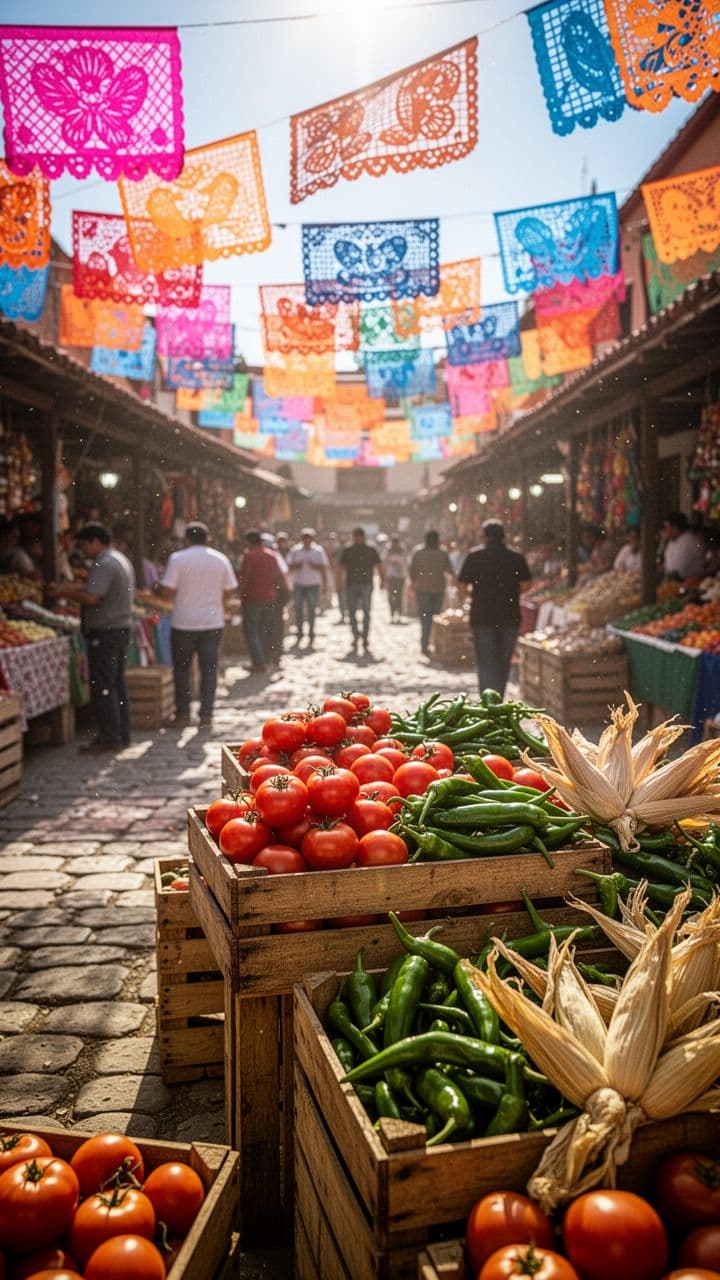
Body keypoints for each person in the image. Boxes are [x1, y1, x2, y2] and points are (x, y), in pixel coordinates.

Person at [48, 523, 135, 753]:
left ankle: (110, 737)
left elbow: (93, 597)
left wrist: (62, 592)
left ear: (95, 541)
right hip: (119, 628)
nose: (83, 549)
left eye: (84, 544)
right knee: (116, 683)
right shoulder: (119, 558)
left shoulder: (104, 563)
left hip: (106, 631)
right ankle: (121, 734)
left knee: (104, 685)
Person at [158, 521, 238, 728]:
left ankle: (183, 713)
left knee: (182, 669)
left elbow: (167, 590)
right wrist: (217, 602)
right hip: (212, 622)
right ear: (207, 538)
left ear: (186, 539)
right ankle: (206, 714)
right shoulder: (220, 560)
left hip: (183, 622)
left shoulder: (178, 559)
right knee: (209, 669)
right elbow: (230, 589)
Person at [457, 519, 531, 698]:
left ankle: (487, 700)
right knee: (503, 661)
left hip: (482, 616)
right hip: (509, 616)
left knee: (486, 661)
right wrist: (509, 593)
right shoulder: (516, 557)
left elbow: (461, 585)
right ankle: (499, 697)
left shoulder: (474, 556)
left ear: (484, 536)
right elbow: (527, 585)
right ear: (503, 537)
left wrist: (472, 596)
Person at [239, 530, 281, 674]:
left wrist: (240, 594)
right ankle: (264, 659)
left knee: (252, 631)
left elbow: (244, 578)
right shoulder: (271, 555)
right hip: (269, 597)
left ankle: (259, 662)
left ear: (249, 542)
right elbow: (276, 576)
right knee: (263, 630)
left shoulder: (249, 556)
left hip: (253, 598)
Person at [337, 527, 383, 652]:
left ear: (363, 537)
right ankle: (356, 635)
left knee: (366, 611)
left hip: (366, 584)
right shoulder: (348, 550)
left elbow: (379, 565)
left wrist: (383, 580)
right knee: (351, 612)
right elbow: (340, 568)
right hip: (351, 584)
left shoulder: (371, 550)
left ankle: (365, 637)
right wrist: (339, 583)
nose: (357, 539)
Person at [409, 530, 454, 656]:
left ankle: (425, 644)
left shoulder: (418, 552)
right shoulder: (442, 552)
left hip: (422, 589)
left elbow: (412, 570)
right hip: (438, 589)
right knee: (436, 617)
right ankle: (436, 643)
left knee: (425, 618)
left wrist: (414, 583)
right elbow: (450, 570)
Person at [287, 527, 329, 646]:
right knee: (299, 610)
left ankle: (311, 634)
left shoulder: (318, 551)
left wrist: (324, 585)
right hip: (299, 584)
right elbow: (288, 568)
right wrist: (296, 566)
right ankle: (299, 633)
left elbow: (323, 568)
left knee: (311, 610)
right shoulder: (295, 551)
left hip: (313, 584)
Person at [261, 532, 291, 668]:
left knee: (269, 627)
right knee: (274, 627)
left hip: (272, 598)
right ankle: (274, 654)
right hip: (275, 597)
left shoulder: (272, 556)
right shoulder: (276, 556)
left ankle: (271, 655)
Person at [661, 511, 706, 580]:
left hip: (689, 581)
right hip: (674, 580)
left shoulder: (689, 540)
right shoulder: (672, 541)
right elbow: (667, 565)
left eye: (667, 527)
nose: (665, 530)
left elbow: (678, 570)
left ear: (675, 528)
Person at [383, 536, 408, 623]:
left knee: (399, 596)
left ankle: (399, 614)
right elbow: (384, 562)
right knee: (391, 596)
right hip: (391, 577)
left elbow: (406, 562)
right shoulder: (388, 550)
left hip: (400, 577)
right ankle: (392, 614)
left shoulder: (402, 550)